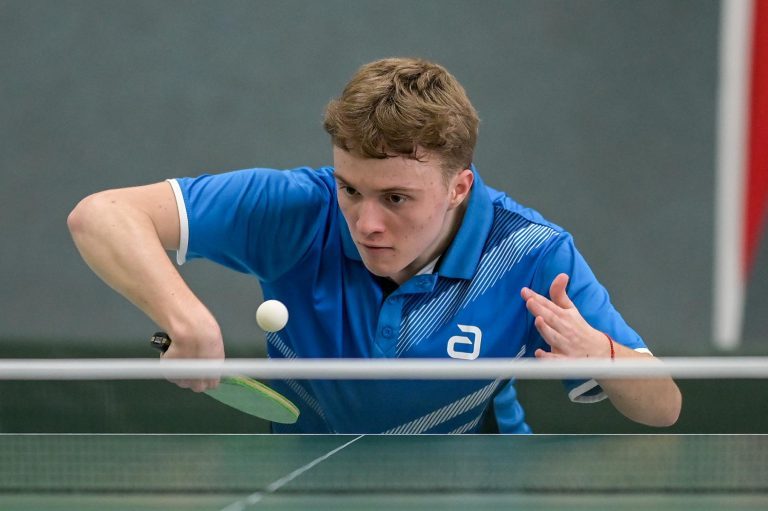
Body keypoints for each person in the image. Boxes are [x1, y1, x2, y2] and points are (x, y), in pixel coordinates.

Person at [68, 57, 682, 433]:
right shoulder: (297, 210)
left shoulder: (529, 253)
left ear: (459, 187)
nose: (366, 223)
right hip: (311, 485)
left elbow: (664, 406)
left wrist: (602, 353)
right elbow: (101, 215)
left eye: (396, 198)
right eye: (351, 189)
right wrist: (184, 316)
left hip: (475, 487)